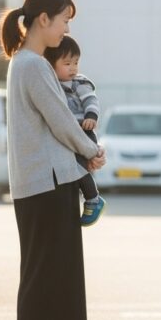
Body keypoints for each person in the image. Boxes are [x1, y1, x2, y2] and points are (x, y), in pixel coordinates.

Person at [0, 0, 106, 320]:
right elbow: (61, 120)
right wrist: (91, 150)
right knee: (43, 269)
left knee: (41, 268)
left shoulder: (25, 63)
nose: (65, 29)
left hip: (41, 181)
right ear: (43, 19)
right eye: (64, 20)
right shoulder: (34, 65)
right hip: (46, 182)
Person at [43, 35, 106, 226]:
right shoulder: (50, 85)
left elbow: (91, 100)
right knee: (73, 168)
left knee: (78, 168)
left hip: (84, 130)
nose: (73, 68)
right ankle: (88, 197)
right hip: (67, 134)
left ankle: (93, 199)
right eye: (67, 63)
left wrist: (91, 117)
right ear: (51, 65)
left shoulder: (79, 83)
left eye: (76, 62)